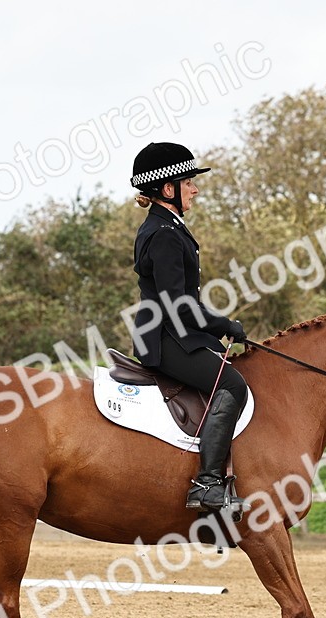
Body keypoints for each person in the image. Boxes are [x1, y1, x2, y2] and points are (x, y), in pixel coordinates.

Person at [128, 141, 248, 512]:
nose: (195, 189)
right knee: (232, 384)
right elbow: (178, 304)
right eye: (189, 182)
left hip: (174, 332)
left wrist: (214, 330)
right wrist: (224, 325)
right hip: (166, 338)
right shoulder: (163, 233)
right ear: (168, 189)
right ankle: (208, 484)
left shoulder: (168, 227)